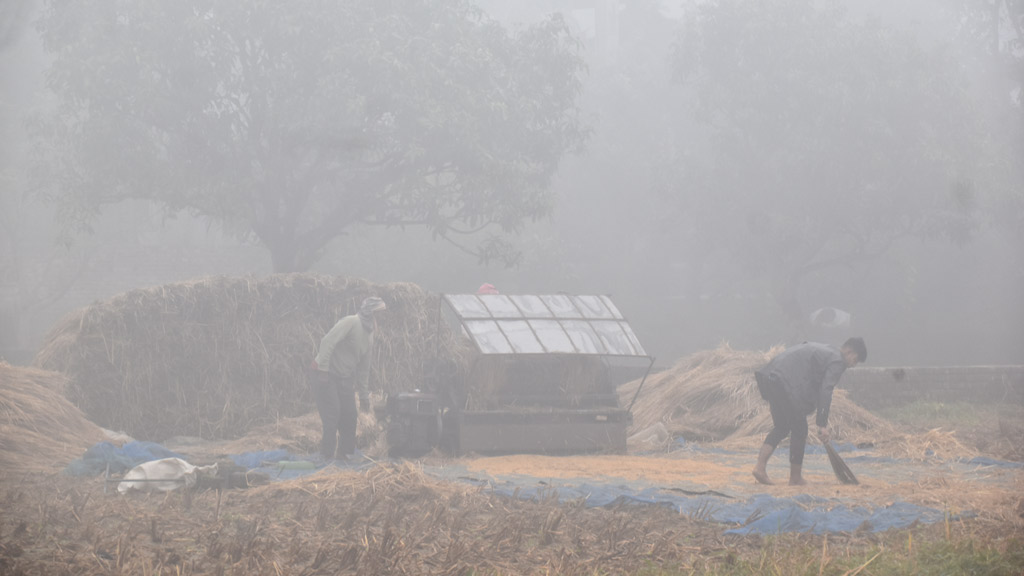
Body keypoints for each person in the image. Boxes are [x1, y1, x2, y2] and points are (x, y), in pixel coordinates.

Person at [751, 337, 867, 486]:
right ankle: (795, 478)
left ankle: (759, 468)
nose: (853, 365)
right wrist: (822, 424)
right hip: (783, 381)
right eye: (855, 360)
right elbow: (826, 390)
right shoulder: (838, 361)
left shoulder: (827, 351)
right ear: (849, 351)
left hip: (770, 377)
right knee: (800, 429)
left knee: (782, 427)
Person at [311, 296, 386, 460]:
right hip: (326, 375)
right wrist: (323, 370)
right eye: (380, 313)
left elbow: (364, 369)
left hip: (344, 379)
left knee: (350, 414)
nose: (382, 317)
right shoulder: (351, 322)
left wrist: (364, 396)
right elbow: (327, 342)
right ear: (371, 312)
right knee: (333, 413)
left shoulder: (370, 335)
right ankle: (326, 456)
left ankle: (344, 454)